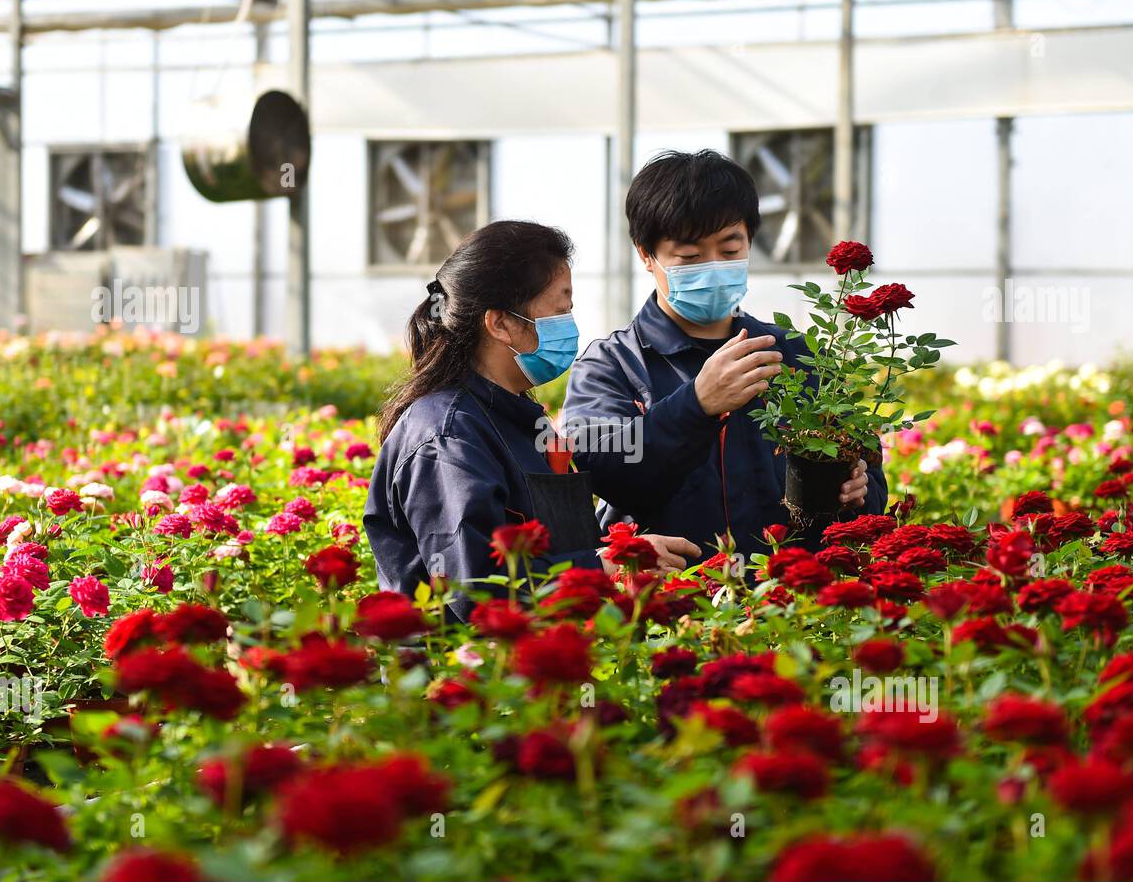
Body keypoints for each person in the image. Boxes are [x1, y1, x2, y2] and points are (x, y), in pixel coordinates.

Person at [562, 150, 888, 562]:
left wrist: (859, 491)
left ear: (749, 242)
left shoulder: (796, 354)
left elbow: (868, 477)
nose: (714, 267)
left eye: (731, 250)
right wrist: (696, 404)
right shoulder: (612, 366)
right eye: (690, 257)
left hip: (790, 595)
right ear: (646, 254)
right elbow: (603, 473)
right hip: (674, 591)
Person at [364, 220, 698, 619]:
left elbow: (561, 549)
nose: (570, 326)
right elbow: (473, 590)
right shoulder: (447, 436)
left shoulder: (519, 418)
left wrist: (618, 559)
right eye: (560, 311)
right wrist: (603, 567)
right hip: (469, 659)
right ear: (500, 323)